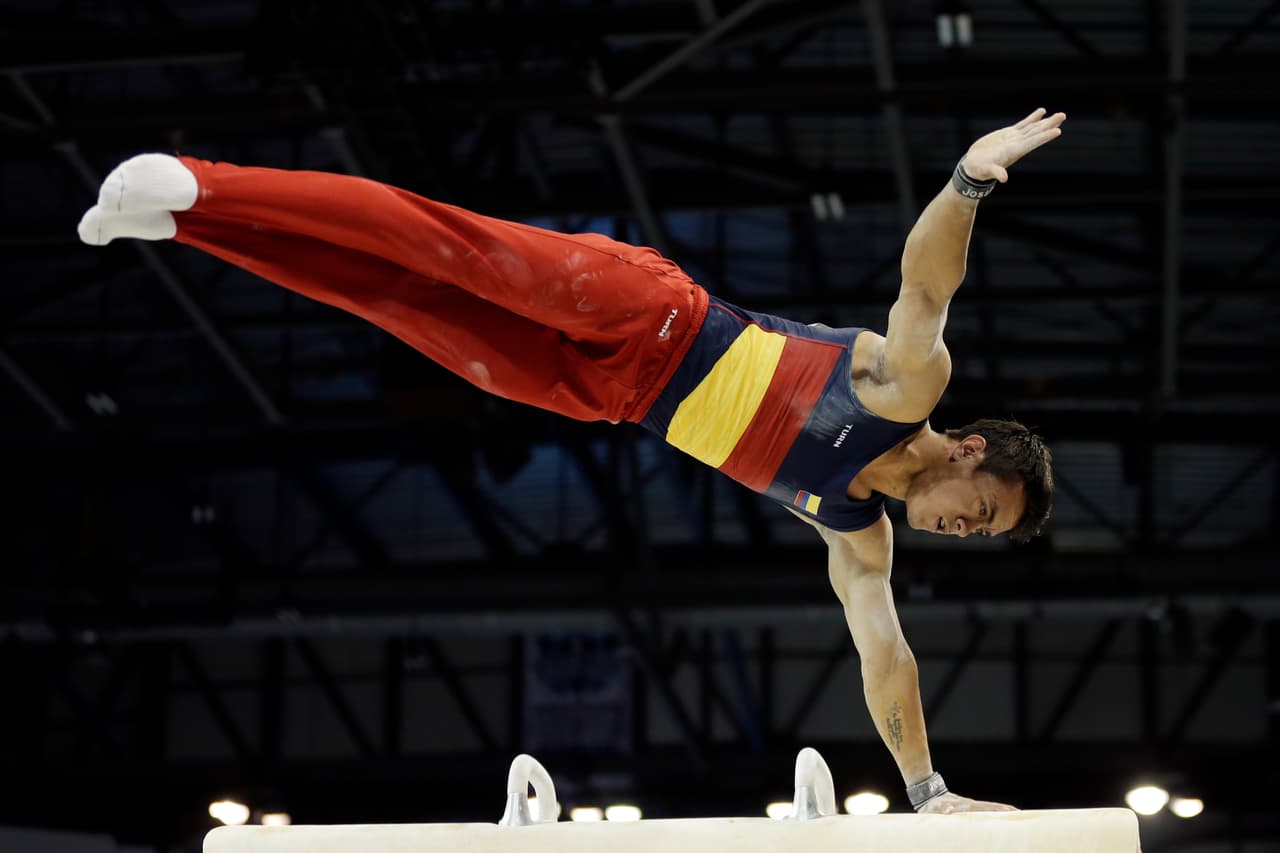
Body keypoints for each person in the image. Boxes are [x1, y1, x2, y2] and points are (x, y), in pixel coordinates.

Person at [78, 108, 1064, 814]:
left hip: (610, 397)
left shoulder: (856, 532)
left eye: (974, 536)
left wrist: (927, 793)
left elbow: (883, 657)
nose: (958, 529)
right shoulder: (904, 388)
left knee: (395, 303)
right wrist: (968, 181)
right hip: (653, 312)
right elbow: (923, 286)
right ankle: (203, 179)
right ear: (972, 449)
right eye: (978, 508)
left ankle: (183, 223)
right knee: (446, 249)